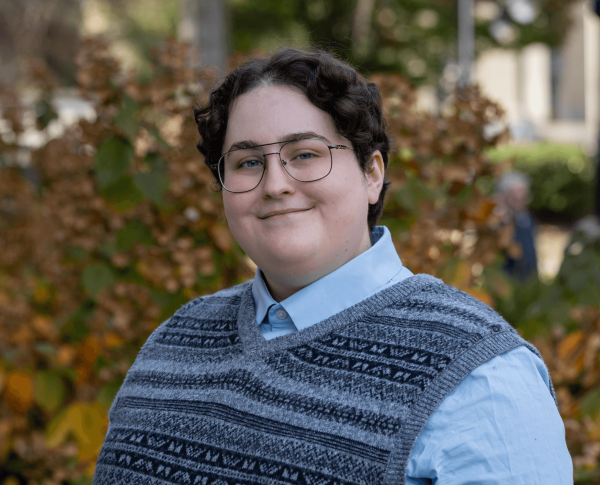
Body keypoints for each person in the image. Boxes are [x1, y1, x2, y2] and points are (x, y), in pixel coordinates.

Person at [93, 48, 572, 484]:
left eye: (305, 154)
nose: (275, 184)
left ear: (371, 174)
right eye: (247, 162)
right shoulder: (174, 344)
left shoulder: (479, 376)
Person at [495, 171, 538, 281]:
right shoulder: (499, 218)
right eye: (514, 195)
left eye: (522, 194)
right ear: (503, 195)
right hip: (506, 279)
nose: (519, 198)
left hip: (527, 278)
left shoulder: (526, 217)